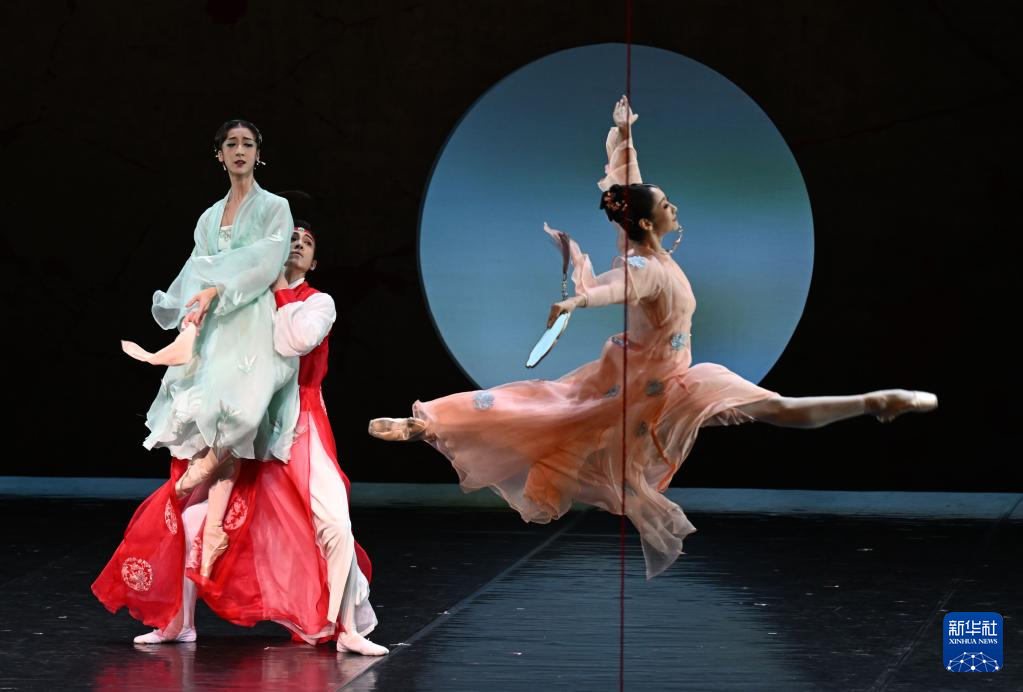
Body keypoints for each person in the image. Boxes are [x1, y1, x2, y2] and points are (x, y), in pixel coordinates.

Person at [368, 96, 937, 578]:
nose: (673, 207)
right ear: (646, 223)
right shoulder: (646, 269)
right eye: (666, 205)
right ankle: (429, 424)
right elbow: (616, 288)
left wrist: (624, 134)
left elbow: (628, 187)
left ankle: (873, 402)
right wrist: (577, 300)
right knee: (550, 412)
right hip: (663, 387)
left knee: (557, 410)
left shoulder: (642, 247)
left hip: (666, 377)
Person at [94, 222, 387, 655]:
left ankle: (348, 628)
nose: (297, 245)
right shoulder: (249, 298)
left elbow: (296, 341)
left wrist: (276, 289)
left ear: (314, 262)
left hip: (300, 422)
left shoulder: (318, 302)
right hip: (249, 424)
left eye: (306, 243)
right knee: (191, 521)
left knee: (334, 523)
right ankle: (178, 622)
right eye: (291, 239)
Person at [135, 119, 300, 579]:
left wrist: (217, 290)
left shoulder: (276, 207)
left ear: (259, 153)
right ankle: (211, 532)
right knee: (213, 420)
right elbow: (197, 266)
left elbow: (265, 264)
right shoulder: (209, 217)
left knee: (243, 416)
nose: (240, 150)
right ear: (220, 154)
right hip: (214, 323)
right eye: (232, 144)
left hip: (250, 319)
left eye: (248, 144)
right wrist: (192, 303)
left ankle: (205, 480)